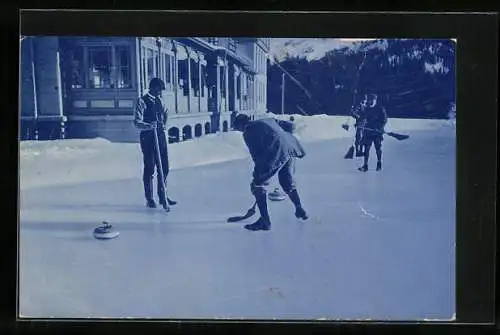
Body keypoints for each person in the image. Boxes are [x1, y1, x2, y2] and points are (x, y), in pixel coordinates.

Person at [233, 113, 308, 231]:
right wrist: (280, 137)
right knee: (287, 181)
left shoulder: (248, 133)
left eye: (237, 128)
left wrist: (258, 175)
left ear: (241, 125)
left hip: (276, 151)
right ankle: (299, 208)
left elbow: (257, 155)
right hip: (289, 147)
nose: (239, 130)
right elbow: (290, 126)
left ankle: (265, 221)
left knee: (257, 185)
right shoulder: (267, 120)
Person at [134, 78, 177, 211]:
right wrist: (148, 126)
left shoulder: (160, 100)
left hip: (160, 136)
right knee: (150, 168)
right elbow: (136, 121)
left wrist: (163, 125)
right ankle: (150, 198)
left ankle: (163, 196)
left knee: (164, 167)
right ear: (152, 88)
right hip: (147, 138)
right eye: (158, 90)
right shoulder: (142, 101)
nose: (160, 92)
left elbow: (165, 112)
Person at [358, 93, 388, 172]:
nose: (370, 102)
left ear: (375, 101)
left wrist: (378, 127)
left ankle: (379, 163)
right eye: (369, 100)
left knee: (377, 148)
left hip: (377, 132)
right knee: (366, 148)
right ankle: (365, 166)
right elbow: (362, 118)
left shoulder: (380, 109)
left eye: (372, 100)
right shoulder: (367, 109)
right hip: (368, 132)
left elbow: (384, 120)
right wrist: (359, 123)